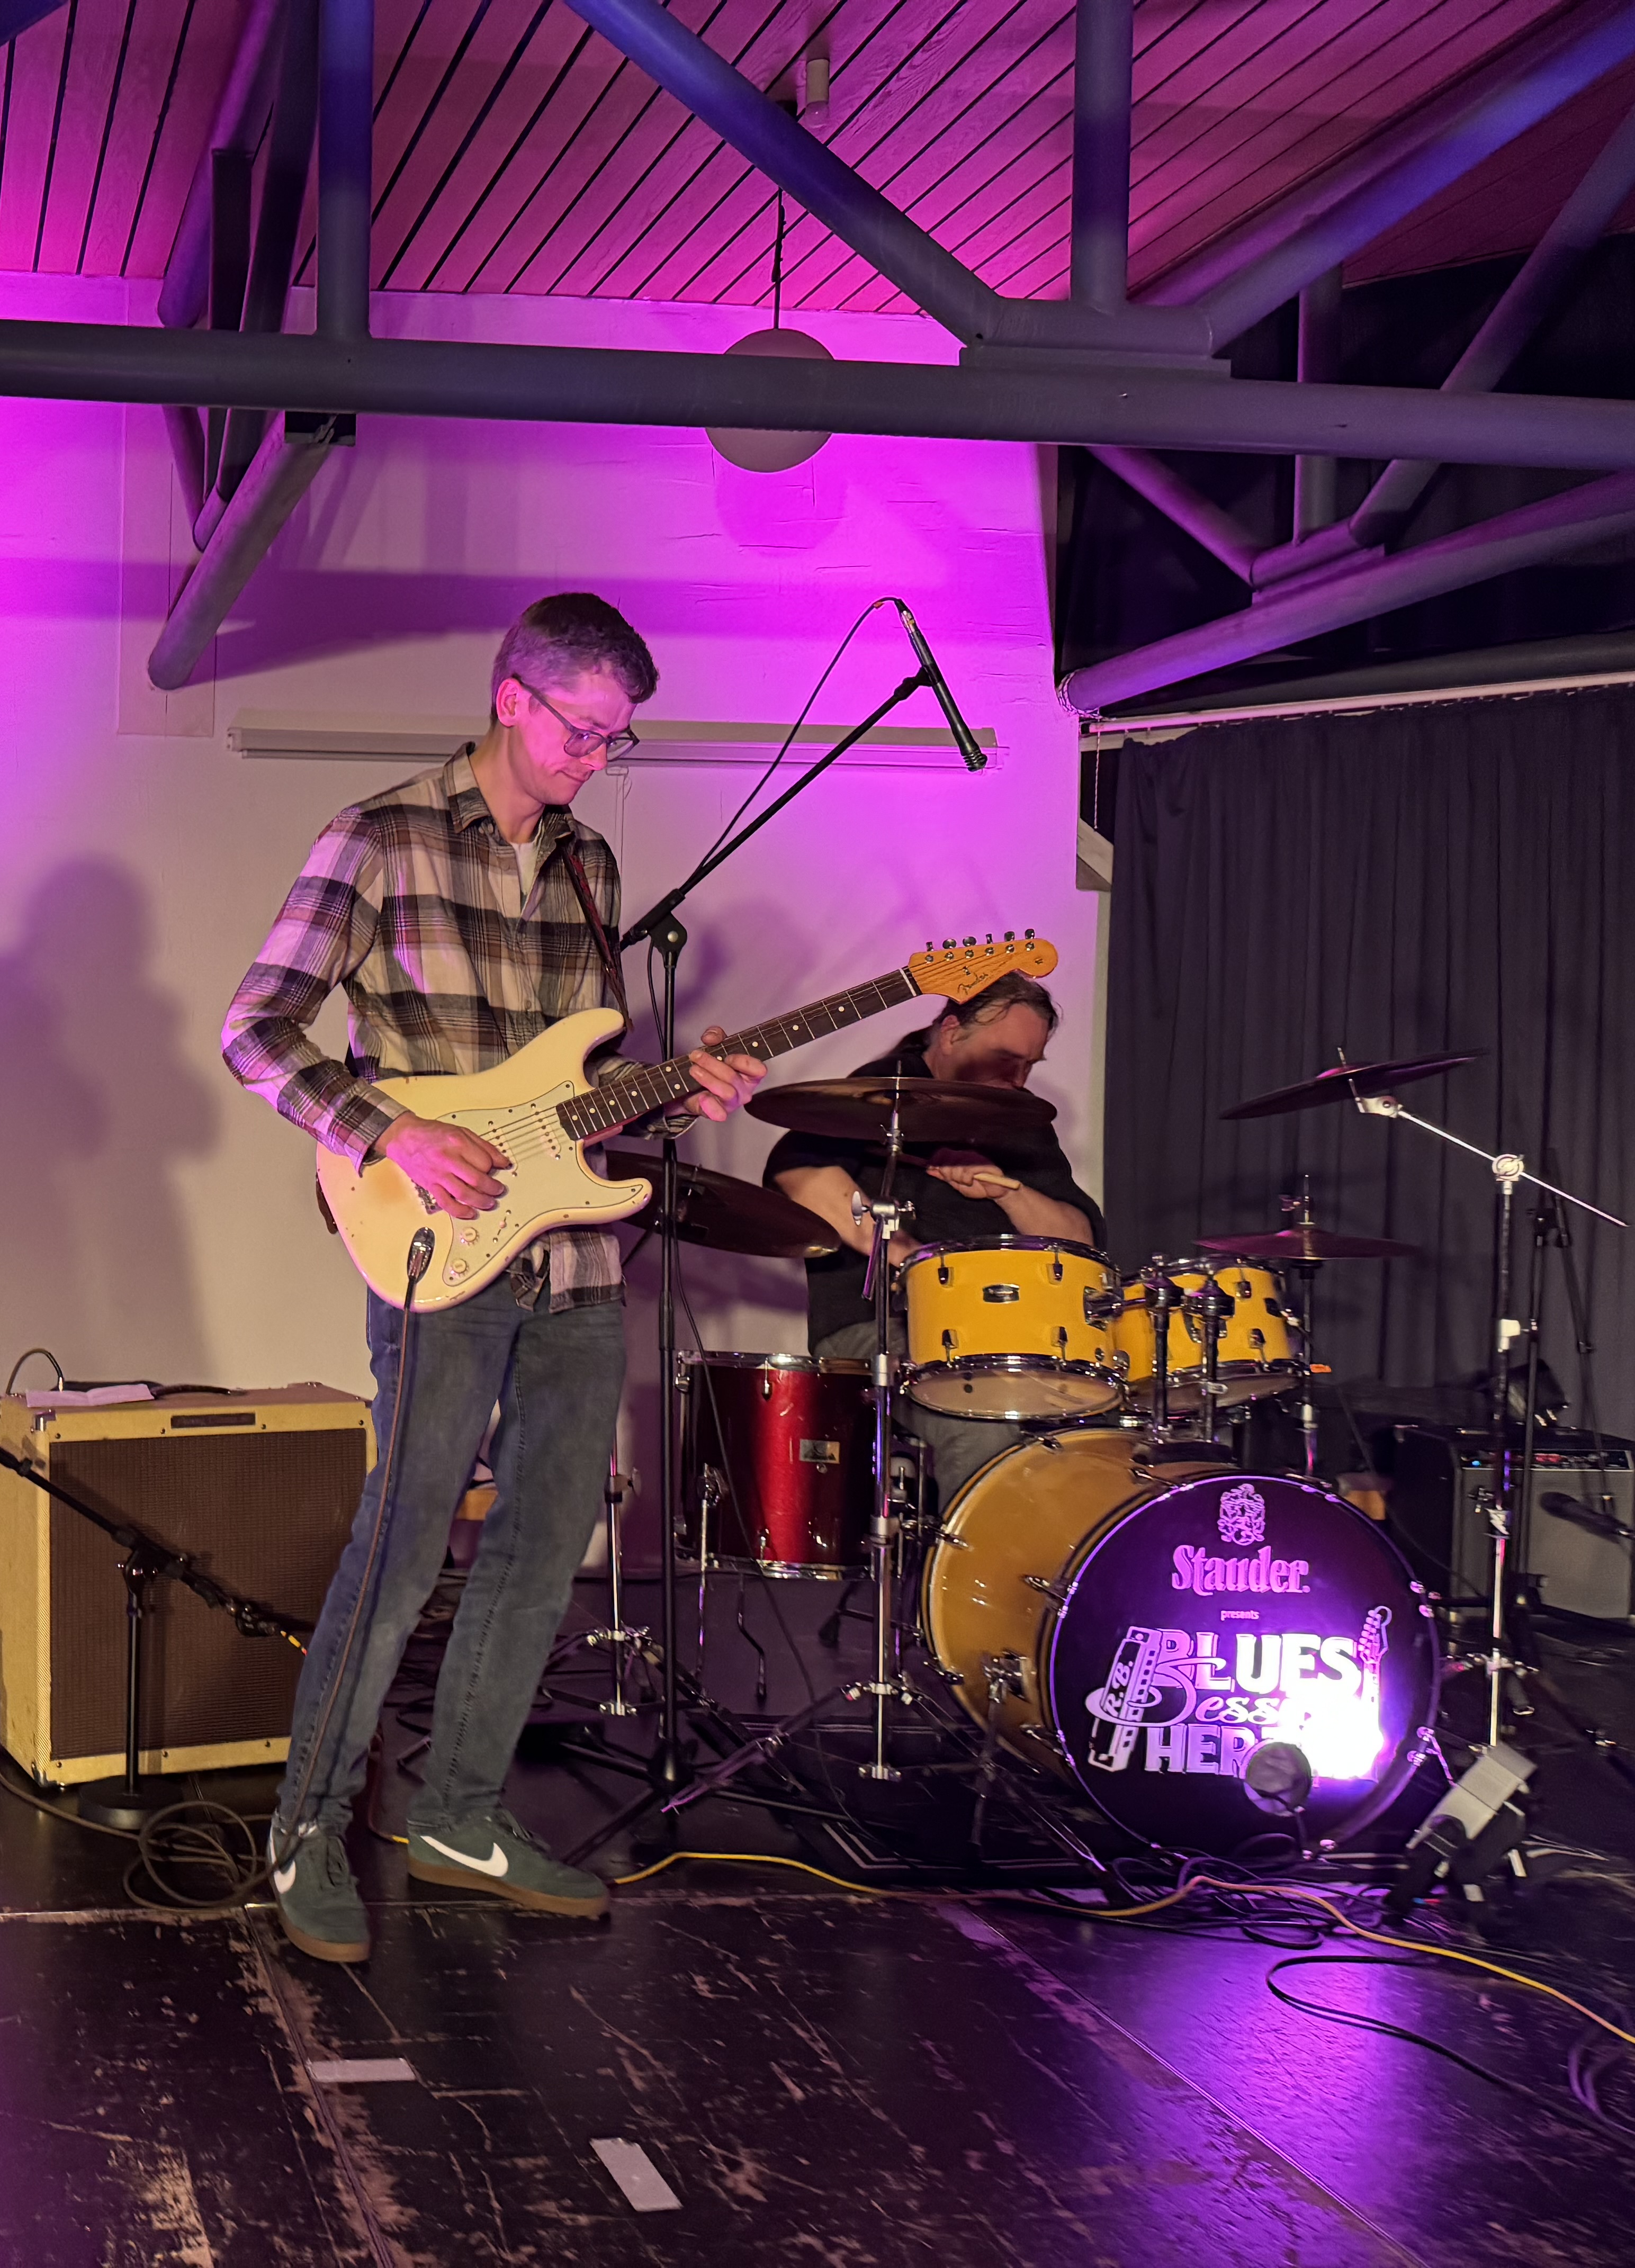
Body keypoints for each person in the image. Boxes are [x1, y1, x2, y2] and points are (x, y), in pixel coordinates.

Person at [220, 593, 761, 1965]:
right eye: (583, 729)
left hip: (573, 1256)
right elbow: (257, 1030)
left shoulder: (591, 870)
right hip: (437, 1249)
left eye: (617, 739)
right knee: (404, 1544)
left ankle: (459, 1816)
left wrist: (680, 1091)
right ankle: (305, 1827)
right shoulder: (381, 835)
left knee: (542, 1547)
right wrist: (392, 1130)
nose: (596, 758)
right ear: (512, 698)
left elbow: (573, 1092)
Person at [765, 971, 1103, 1501]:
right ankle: (973, 1555)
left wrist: (1008, 1191)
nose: (1017, 1077)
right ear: (951, 1032)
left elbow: (1080, 1239)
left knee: (1101, 1420)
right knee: (981, 1423)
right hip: (882, 1326)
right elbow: (798, 1175)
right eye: (1005, 1058)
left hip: (1007, 1334)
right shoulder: (880, 1092)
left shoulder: (1018, 1116)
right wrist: (913, 1259)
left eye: (1029, 1065)